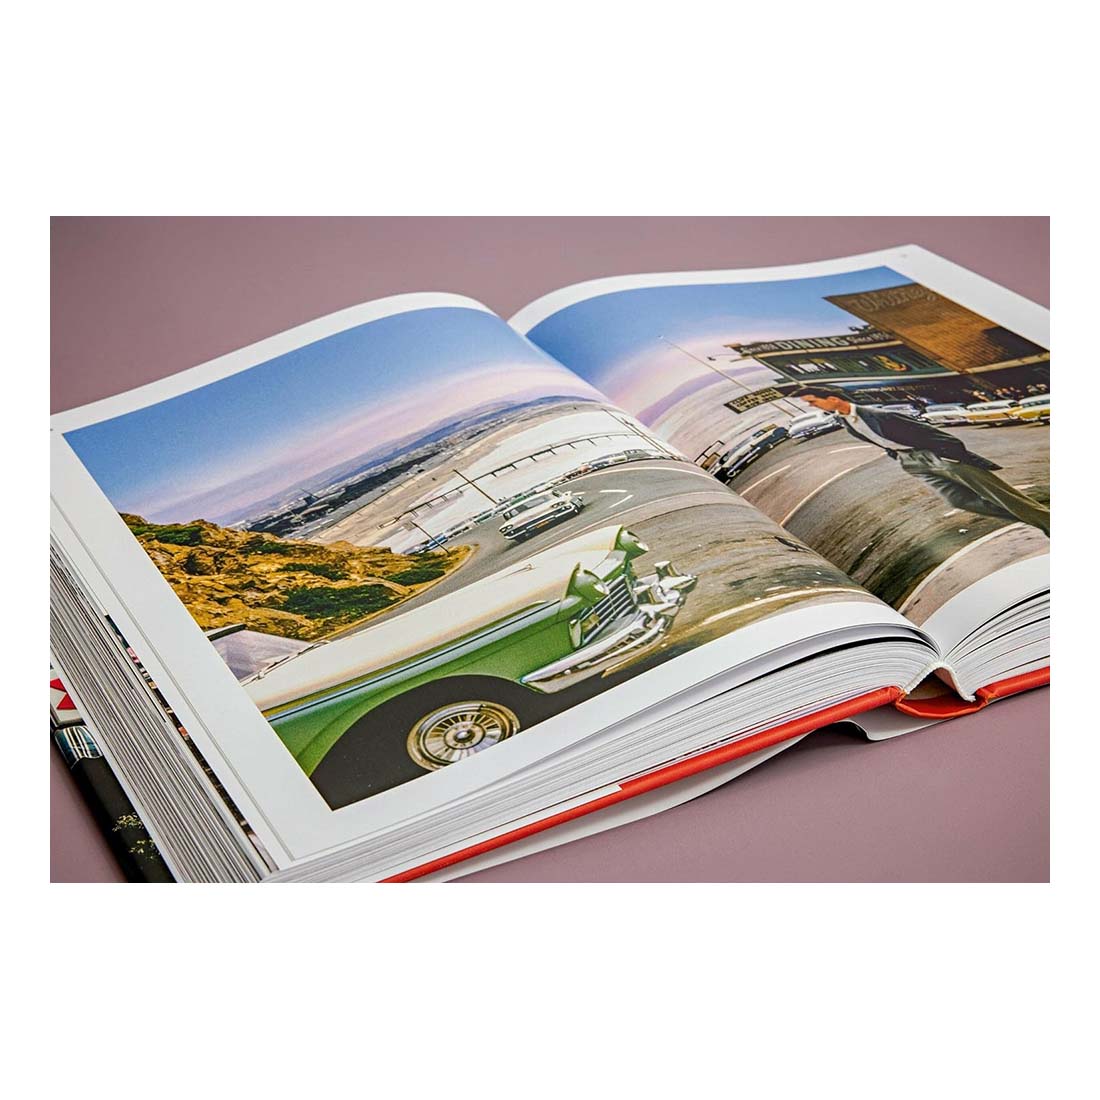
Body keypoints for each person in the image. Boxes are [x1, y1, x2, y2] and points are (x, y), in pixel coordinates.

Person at [790, 384, 1049, 537]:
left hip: (937, 456)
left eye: (814, 402)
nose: (813, 407)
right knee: (958, 500)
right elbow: (881, 442)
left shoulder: (879, 415)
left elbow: (934, 434)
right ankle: (1037, 518)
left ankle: (1046, 522)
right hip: (911, 462)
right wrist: (899, 457)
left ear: (833, 399)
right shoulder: (847, 423)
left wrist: (949, 456)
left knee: (1003, 496)